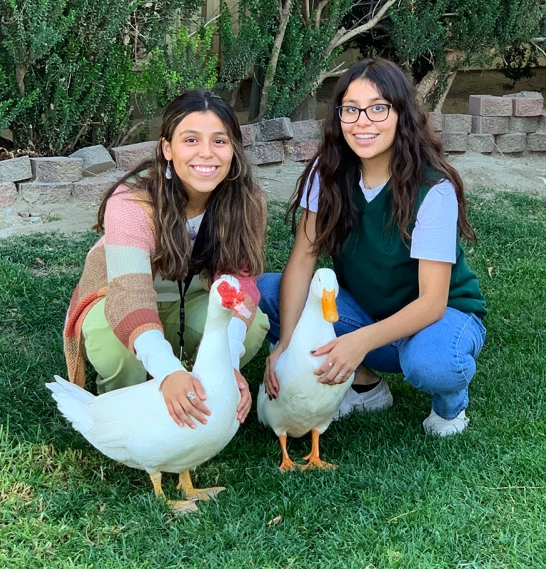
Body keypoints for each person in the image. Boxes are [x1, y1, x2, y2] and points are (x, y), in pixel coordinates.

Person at [258, 59, 486, 436]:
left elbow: (432, 303)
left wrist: (358, 342)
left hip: (442, 317)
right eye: (351, 109)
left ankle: (450, 406)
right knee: (268, 291)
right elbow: (302, 261)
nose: (363, 121)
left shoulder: (433, 189)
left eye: (378, 108)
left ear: (401, 114)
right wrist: (285, 343)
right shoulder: (328, 173)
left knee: (432, 361)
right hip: (367, 314)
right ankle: (365, 386)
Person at [63, 89, 270, 430]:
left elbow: (240, 285)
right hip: (120, 300)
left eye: (220, 141)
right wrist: (170, 372)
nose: (207, 153)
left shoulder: (247, 202)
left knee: (251, 325)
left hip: (190, 300)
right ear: (167, 149)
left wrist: (227, 361)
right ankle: (122, 409)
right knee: (113, 342)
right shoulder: (131, 202)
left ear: (233, 149)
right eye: (191, 139)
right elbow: (129, 295)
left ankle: (200, 389)